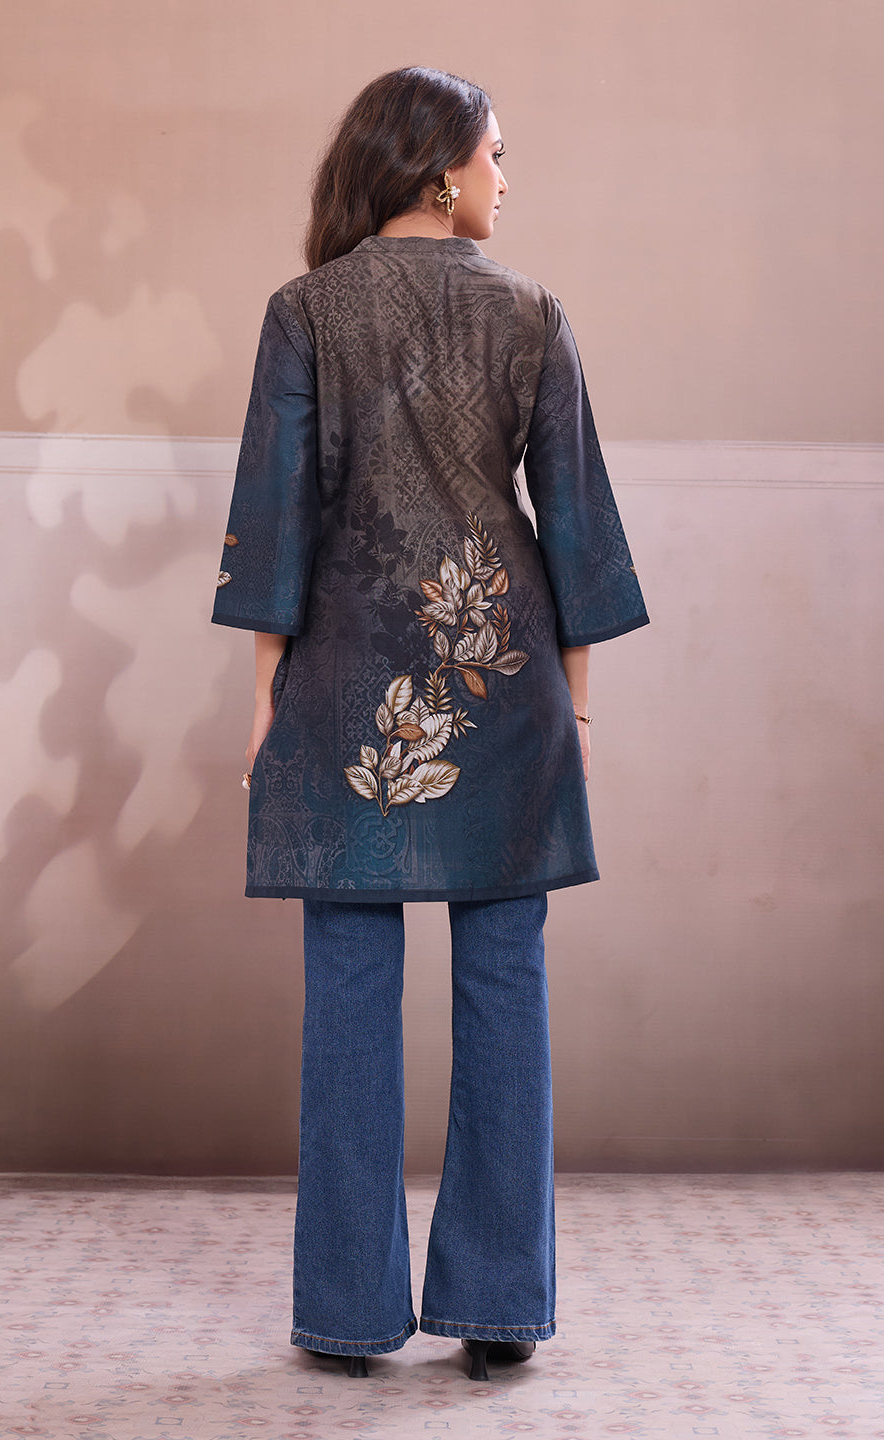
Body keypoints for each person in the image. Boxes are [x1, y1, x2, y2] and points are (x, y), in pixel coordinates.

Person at [211, 66, 648, 1381]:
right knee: (506, 983)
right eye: (497, 156)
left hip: (348, 692)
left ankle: (348, 1318)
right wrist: (576, 705)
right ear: (442, 170)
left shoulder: (305, 312)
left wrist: (263, 700)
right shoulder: (532, 313)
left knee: (348, 989)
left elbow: (274, 520)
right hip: (500, 679)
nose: (506, 180)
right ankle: (500, 1309)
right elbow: (575, 528)